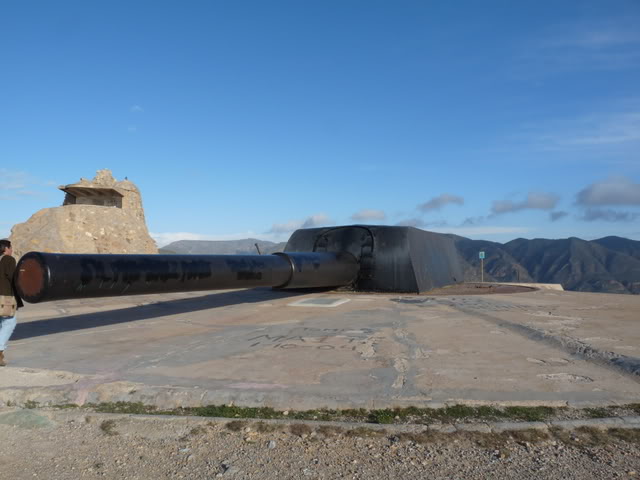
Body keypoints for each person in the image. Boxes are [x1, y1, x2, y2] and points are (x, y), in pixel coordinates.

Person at [0, 239, 23, 366]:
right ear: (5, 248)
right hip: (5, 298)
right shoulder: (8, 259)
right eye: (10, 247)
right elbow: (13, 277)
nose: (12, 249)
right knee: (9, 322)